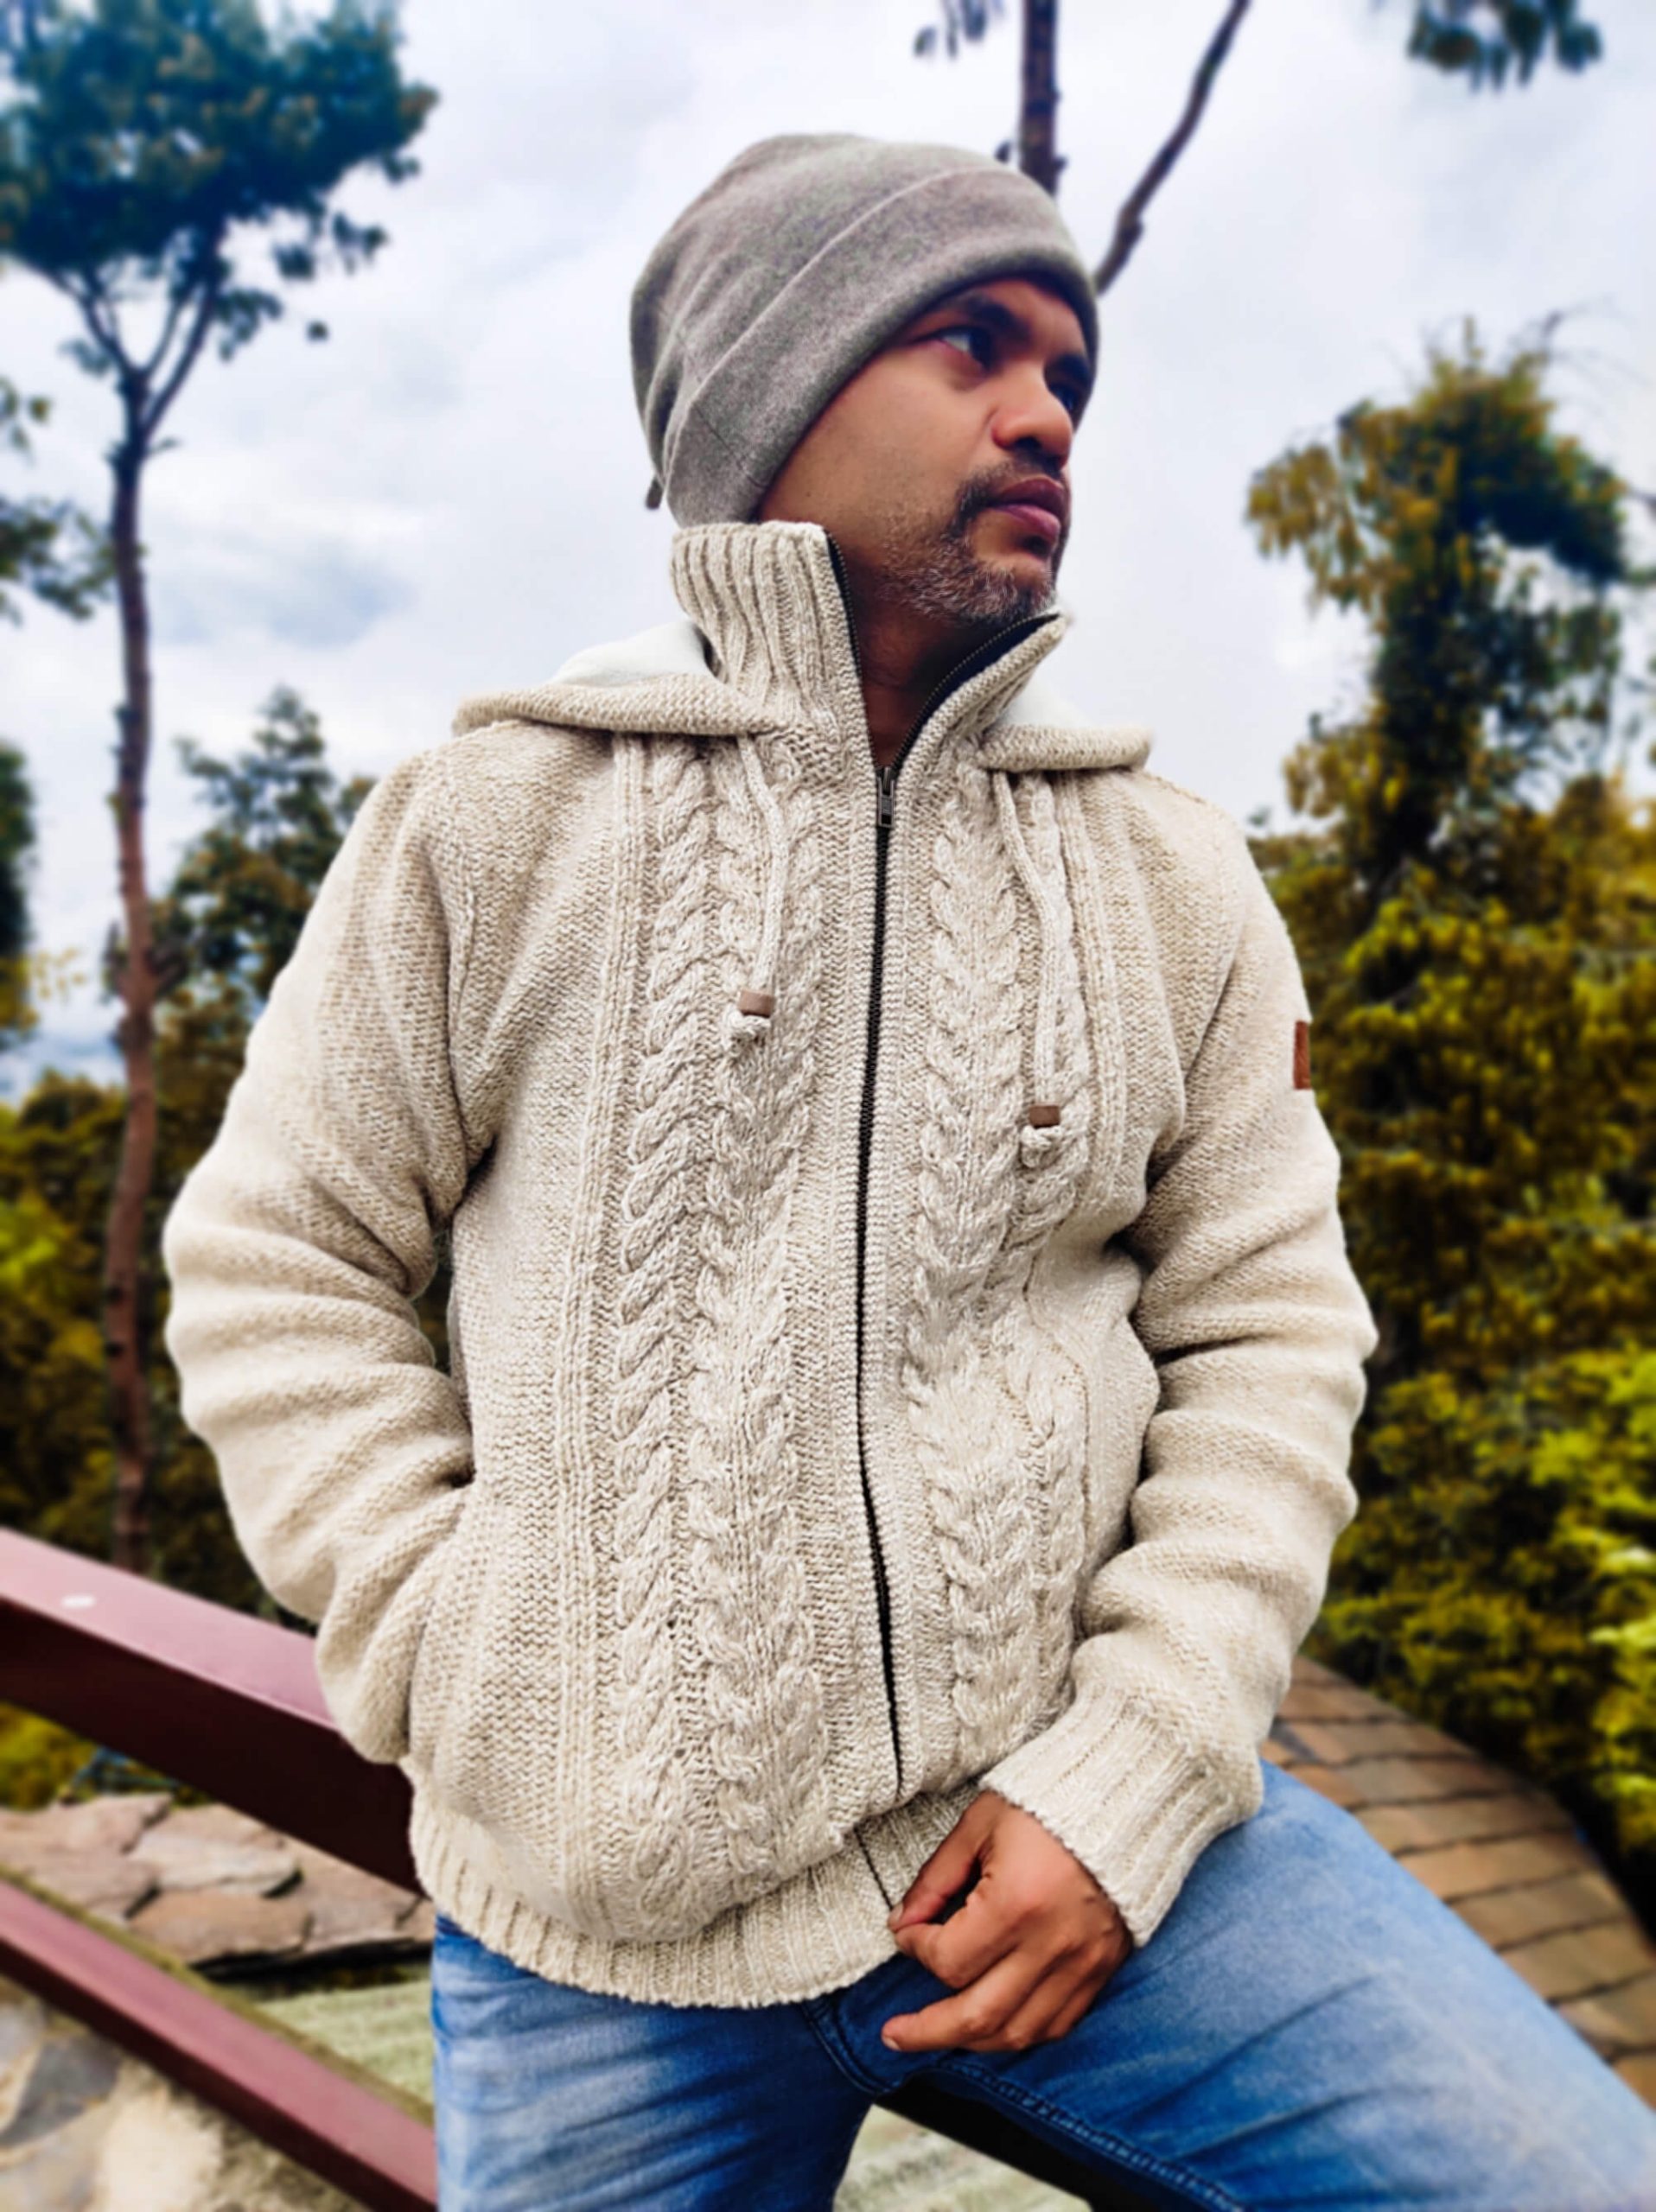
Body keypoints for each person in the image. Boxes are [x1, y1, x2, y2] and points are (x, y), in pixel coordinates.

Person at [160, 132, 1656, 2210]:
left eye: (1068, 371)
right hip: (600, 1933)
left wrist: (1134, 1767)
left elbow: (1270, 1335)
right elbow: (278, 1263)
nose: (1046, 412)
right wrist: (467, 1656)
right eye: (972, 342)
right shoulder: (491, 822)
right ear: (768, 387)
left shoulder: (1169, 875)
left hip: (1099, 1846)